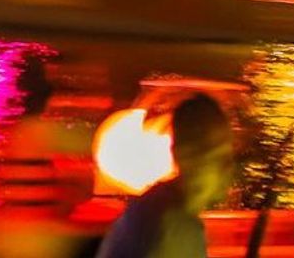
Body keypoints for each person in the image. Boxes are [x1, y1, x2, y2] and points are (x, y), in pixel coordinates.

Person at [95, 93, 234, 258]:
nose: (226, 168)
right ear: (177, 154)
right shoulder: (178, 229)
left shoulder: (145, 208)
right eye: (214, 155)